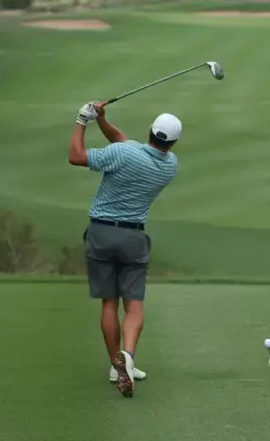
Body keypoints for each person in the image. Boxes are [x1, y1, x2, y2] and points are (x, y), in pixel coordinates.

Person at [68, 100, 180, 398]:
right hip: (133, 238)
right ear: (173, 142)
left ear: (150, 131)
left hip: (101, 233)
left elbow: (76, 156)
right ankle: (127, 357)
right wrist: (103, 120)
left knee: (109, 302)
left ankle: (115, 365)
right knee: (134, 304)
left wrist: (83, 120)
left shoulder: (124, 153)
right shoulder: (170, 165)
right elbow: (122, 142)